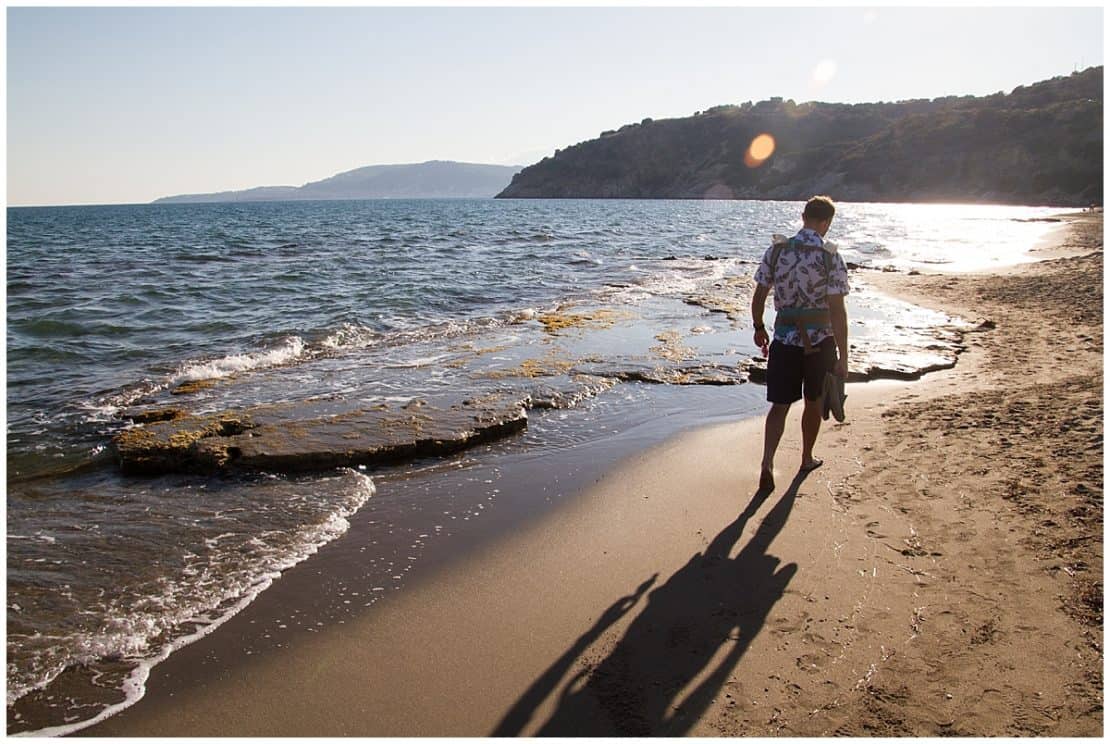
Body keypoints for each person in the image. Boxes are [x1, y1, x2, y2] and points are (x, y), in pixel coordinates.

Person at [750, 195, 849, 490]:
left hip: (784, 338)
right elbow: (837, 310)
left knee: (779, 405)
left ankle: (767, 461)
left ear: (803, 216)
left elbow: (758, 297)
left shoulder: (778, 251)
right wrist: (844, 354)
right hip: (820, 341)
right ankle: (806, 457)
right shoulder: (830, 256)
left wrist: (758, 327)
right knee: (814, 401)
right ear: (826, 222)